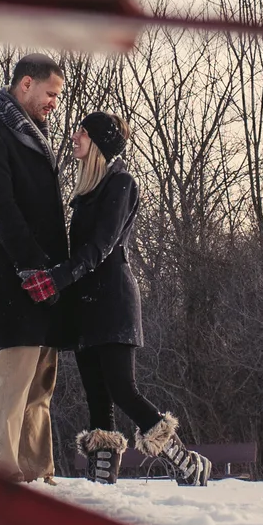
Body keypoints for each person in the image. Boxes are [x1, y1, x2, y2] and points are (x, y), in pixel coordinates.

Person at [52, 111, 210, 488]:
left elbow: (102, 245)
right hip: (85, 304)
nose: (74, 137)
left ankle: (186, 463)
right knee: (95, 393)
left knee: (122, 388)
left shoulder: (121, 183)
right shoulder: (86, 191)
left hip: (113, 301)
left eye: (83, 132)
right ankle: (103, 479)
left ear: (100, 143)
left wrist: (59, 277)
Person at [0, 53, 69, 482]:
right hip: (11, 272)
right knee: (16, 368)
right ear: (26, 84)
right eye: (50, 93)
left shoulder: (32, 134)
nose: (54, 103)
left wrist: (54, 270)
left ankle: (36, 469)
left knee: (42, 374)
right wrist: (30, 264)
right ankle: (2, 467)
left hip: (44, 275)